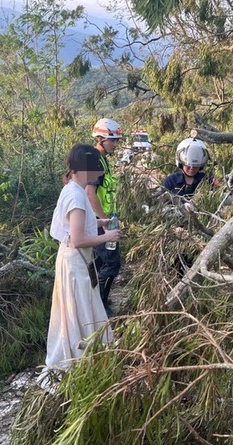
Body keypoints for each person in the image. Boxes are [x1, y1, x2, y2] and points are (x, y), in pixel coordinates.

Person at [38, 143, 121, 387]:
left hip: (75, 262)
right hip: (75, 265)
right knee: (79, 311)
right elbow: (77, 239)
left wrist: (102, 222)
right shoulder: (75, 195)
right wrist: (108, 237)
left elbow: (80, 226)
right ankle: (81, 359)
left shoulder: (73, 189)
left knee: (82, 308)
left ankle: (90, 355)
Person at [86, 118, 123, 317]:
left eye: (117, 140)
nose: (115, 144)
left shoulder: (101, 159)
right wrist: (106, 223)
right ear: (100, 138)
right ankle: (101, 306)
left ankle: (96, 301)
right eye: (112, 140)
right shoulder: (95, 161)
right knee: (112, 262)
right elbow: (90, 193)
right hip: (99, 222)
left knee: (100, 263)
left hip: (103, 220)